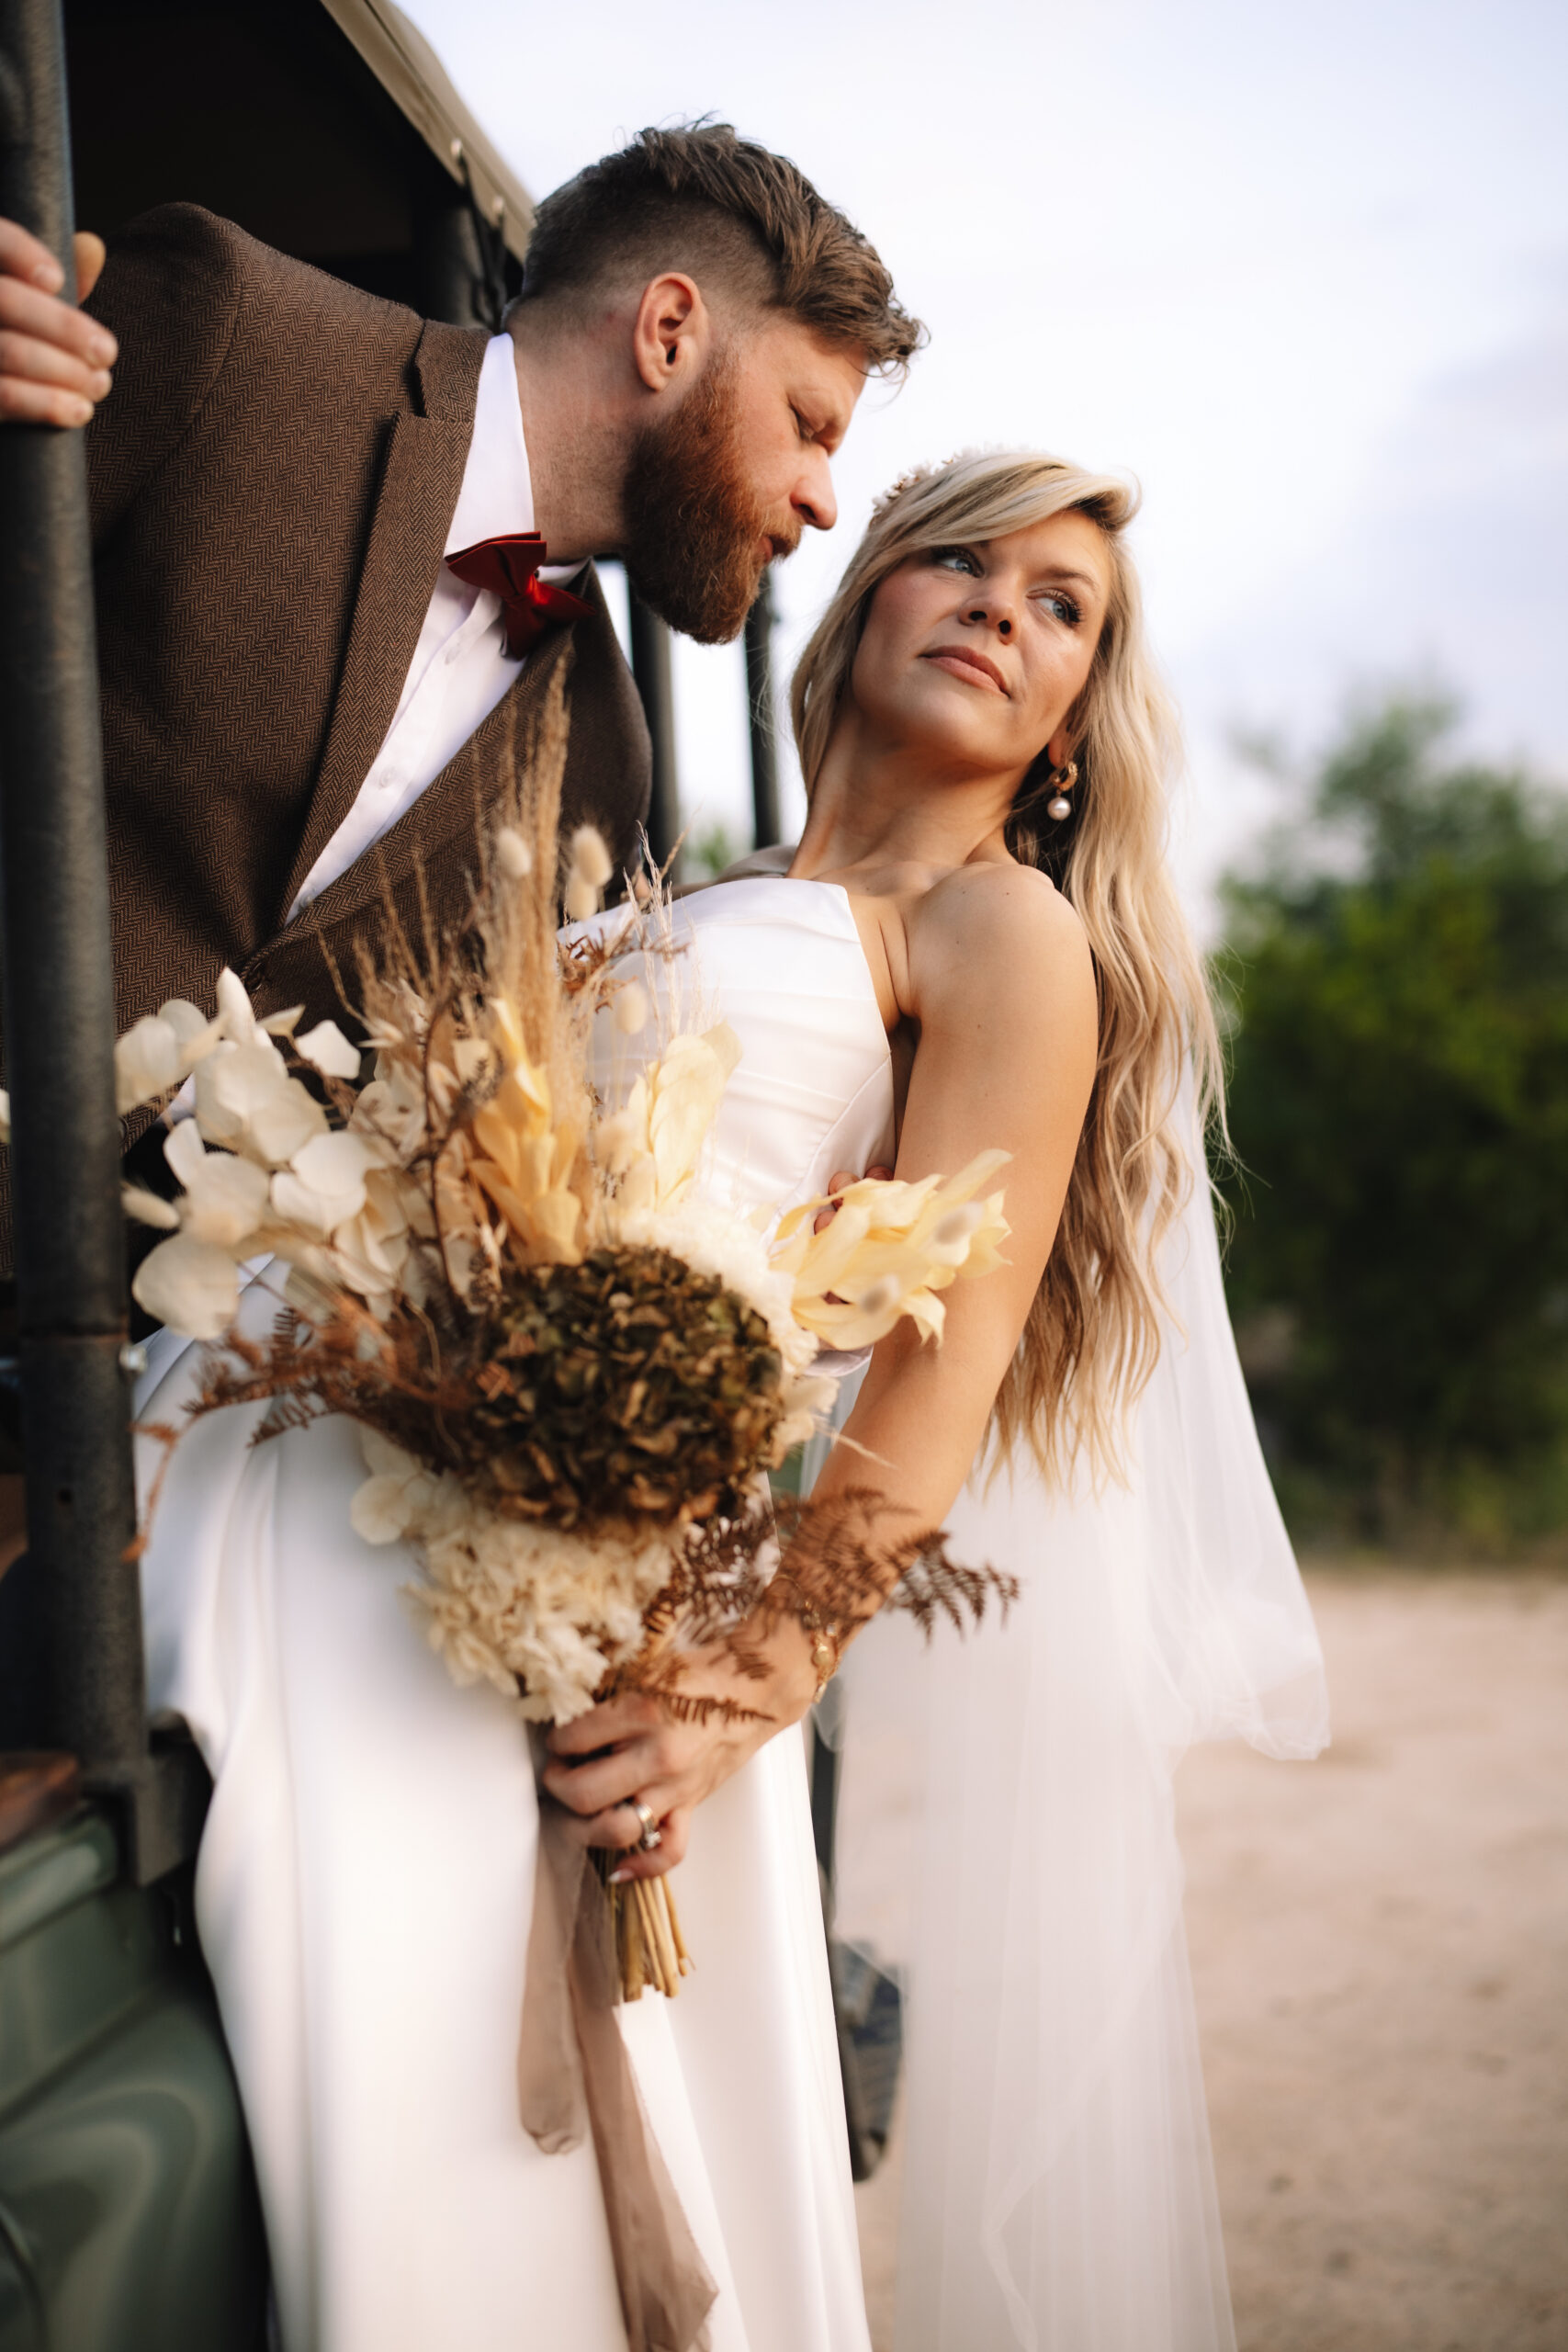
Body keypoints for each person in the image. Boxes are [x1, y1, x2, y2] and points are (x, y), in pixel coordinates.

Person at [546, 449, 1330, 2350]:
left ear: (1067, 726)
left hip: (646, 1644)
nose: (1000, 605)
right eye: (960, 562)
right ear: (867, 599)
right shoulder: (695, 880)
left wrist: (739, 1689)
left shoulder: (1000, 938)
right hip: (497, 1517)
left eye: (1059, 605)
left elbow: (947, 1352)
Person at [0, 120, 920, 1264]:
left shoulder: (608, 759)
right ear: (670, 330)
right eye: (808, 424)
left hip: (144, 1377)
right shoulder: (236, 331)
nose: (823, 497)